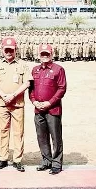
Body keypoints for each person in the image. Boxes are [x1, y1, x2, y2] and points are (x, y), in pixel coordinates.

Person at [0, 37, 32, 172]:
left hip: (17, 104)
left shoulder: (22, 65)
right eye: (6, 50)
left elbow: (27, 83)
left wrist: (13, 95)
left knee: (18, 132)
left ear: (15, 50)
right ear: (2, 50)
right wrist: (4, 95)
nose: (8, 52)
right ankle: (3, 158)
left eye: (11, 50)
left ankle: (17, 160)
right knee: (2, 131)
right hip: (2, 104)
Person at [29, 43, 67, 175]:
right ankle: (46, 161)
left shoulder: (58, 69)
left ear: (52, 54)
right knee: (41, 136)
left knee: (56, 137)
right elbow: (31, 89)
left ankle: (56, 163)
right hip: (38, 109)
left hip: (53, 109)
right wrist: (34, 101)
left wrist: (49, 102)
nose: (44, 56)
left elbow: (62, 88)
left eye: (47, 54)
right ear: (38, 55)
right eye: (42, 54)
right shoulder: (35, 70)